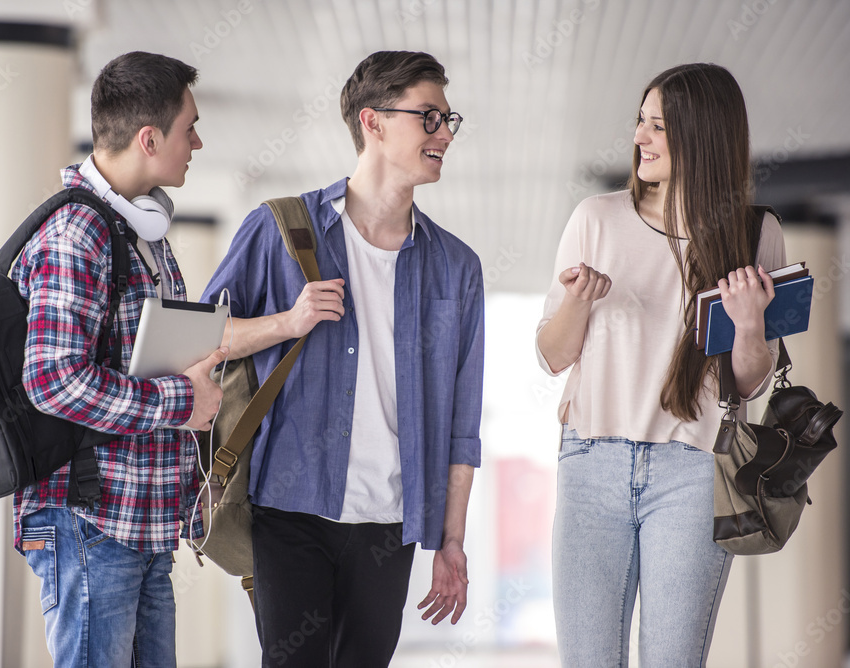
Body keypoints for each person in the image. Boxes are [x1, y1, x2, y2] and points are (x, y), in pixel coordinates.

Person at [201, 50, 484, 667]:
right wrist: (288, 321)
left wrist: (452, 540)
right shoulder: (277, 230)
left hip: (388, 524)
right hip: (289, 509)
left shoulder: (456, 267)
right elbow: (201, 343)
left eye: (448, 119)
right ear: (373, 122)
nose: (445, 133)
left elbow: (463, 424)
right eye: (429, 117)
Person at [536, 62, 785, 666]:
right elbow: (551, 356)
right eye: (640, 122)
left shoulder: (755, 235)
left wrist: (749, 321)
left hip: (694, 474)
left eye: (658, 126)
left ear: (702, 137)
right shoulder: (596, 218)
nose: (640, 138)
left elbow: (749, 382)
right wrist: (576, 300)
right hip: (591, 462)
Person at [11, 51, 227, 667]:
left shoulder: (139, 235)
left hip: (142, 524)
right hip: (91, 524)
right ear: (149, 137)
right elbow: (53, 382)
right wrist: (182, 401)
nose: (198, 142)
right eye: (190, 128)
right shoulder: (78, 233)